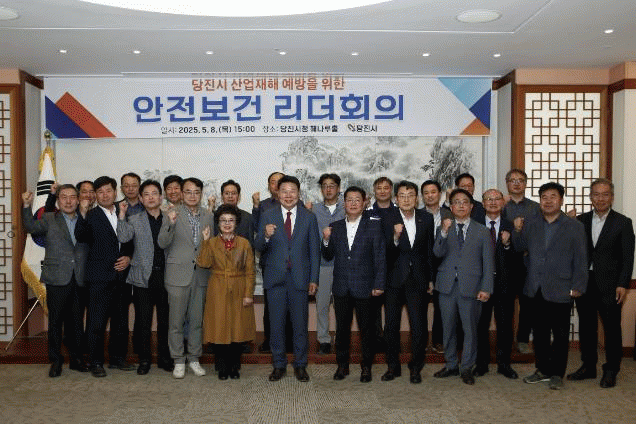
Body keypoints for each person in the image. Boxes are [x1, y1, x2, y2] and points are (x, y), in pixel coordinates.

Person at [512, 182, 587, 390]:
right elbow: (519, 247)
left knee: (561, 335)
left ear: (561, 200)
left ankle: (557, 373)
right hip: (535, 287)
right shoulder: (532, 223)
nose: (548, 201)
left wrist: (578, 285)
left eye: (553, 196)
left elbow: (581, 258)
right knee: (540, 334)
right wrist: (517, 230)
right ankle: (542, 369)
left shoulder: (575, 226)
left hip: (561, 287)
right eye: (544, 197)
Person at [568, 178, 635, 388]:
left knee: (612, 329)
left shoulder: (623, 222)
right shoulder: (580, 220)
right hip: (585, 283)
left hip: (610, 285)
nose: (600, 198)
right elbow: (570, 250)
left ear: (612, 197)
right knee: (587, 327)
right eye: (596, 194)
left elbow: (628, 257)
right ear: (590, 197)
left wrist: (623, 283)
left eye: (605, 194)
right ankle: (588, 366)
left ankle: (611, 369)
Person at [255, 175, 320, 382]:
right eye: (284, 191)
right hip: (275, 279)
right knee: (276, 326)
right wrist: (265, 235)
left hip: (300, 280)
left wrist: (314, 279)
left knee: (300, 326)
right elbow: (258, 246)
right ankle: (279, 365)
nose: (288, 195)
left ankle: (300, 365)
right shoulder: (268, 214)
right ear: (277, 193)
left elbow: (314, 252)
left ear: (298, 193)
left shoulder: (309, 217)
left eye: (293, 191)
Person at [22, 185, 89, 377]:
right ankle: (56, 361)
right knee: (55, 322)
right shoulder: (50, 219)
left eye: (72, 197)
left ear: (78, 199)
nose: (68, 201)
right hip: (56, 277)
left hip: (80, 277)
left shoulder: (86, 218)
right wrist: (26, 206)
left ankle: (76, 359)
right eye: (64, 197)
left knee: (76, 322)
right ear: (58, 201)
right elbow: (30, 227)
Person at [322, 186, 385, 382]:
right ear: (344, 203)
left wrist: (379, 284)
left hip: (365, 286)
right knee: (342, 330)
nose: (353, 203)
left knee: (367, 330)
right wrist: (326, 240)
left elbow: (380, 257)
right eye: (349, 200)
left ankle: (366, 367)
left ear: (364, 203)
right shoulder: (335, 226)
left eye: (358, 200)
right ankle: (342, 366)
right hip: (341, 287)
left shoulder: (373, 225)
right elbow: (328, 255)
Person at [75, 176, 134, 378]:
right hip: (99, 278)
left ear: (115, 192)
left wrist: (129, 257)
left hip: (122, 277)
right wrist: (83, 212)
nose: (105, 195)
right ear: (96, 195)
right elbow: (81, 236)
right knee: (96, 323)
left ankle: (118, 359)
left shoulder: (124, 211)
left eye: (108, 190)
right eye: (100, 192)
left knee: (120, 322)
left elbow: (131, 240)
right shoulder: (91, 215)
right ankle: (96, 362)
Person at [433, 188, 493, 385]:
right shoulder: (443, 228)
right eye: (456, 202)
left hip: (472, 287)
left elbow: (488, 263)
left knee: (470, 330)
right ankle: (451, 365)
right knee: (448, 329)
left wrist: (486, 288)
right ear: (451, 207)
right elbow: (437, 253)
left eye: (464, 202)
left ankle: (467, 367)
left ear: (471, 206)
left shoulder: (482, 231)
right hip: (447, 286)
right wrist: (443, 232)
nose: (460, 205)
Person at [158, 177, 214, 379]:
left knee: (197, 321)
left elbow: (210, 247)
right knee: (176, 322)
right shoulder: (172, 213)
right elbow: (162, 243)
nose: (192, 196)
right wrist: (170, 224)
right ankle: (178, 360)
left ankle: (194, 358)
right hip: (177, 276)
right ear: (182, 194)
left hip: (200, 275)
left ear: (201, 194)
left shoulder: (208, 215)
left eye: (196, 192)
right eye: (188, 192)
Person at [116, 180, 173, 375]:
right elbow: (123, 238)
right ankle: (145, 360)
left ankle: (165, 358)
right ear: (140, 198)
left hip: (166, 276)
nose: (150, 197)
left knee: (165, 322)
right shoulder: (134, 219)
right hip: (143, 277)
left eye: (154, 193)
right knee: (143, 322)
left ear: (161, 197)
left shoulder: (169, 217)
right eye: (146, 194)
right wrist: (122, 216)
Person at [381, 180, 434, 384]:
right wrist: (395, 237)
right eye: (402, 196)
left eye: (410, 195)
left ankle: (416, 367)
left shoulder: (426, 218)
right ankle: (392, 367)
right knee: (391, 326)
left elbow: (429, 251)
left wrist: (431, 279)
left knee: (419, 326)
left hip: (418, 279)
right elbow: (382, 251)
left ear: (416, 198)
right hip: (393, 279)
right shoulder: (387, 219)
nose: (406, 199)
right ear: (396, 199)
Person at [197, 204, 256, 380]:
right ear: (218, 223)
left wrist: (248, 294)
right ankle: (222, 367)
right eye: (223, 220)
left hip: (239, 287)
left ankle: (235, 366)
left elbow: (250, 271)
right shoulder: (212, 242)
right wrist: (205, 241)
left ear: (236, 223)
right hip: (217, 288)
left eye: (231, 220)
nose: (227, 224)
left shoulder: (244, 243)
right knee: (219, 328)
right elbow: (204, 263)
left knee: (238, 329)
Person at [473, 189, 519, 379]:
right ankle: (481, 364)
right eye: (488, 199)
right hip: (480, 284)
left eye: (496, 199)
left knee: (505, 326)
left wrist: (508, 244)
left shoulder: (512, 225)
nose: (492, 202)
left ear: (503, 202)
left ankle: (504, 364)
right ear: (483, 203)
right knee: (480, 325)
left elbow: (519, 255)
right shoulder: (474, 224)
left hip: (504, 284)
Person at [252, 171, 293, 354]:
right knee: (271, 306)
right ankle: (270, 340)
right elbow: (257, 232)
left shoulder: (297, 205)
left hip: (292, 265)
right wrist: (255, 208)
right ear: (269, 186)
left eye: (280, 181)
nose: (276, 185)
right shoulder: (263, 206)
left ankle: (289, 342)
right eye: (273, 182)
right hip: (270, 263)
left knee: (291, 306)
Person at [501, 168, 541, 355]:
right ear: (507, 183)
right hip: (505, 261)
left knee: (528, 304)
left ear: (526, 183)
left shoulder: (536, 207)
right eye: (512, 180)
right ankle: (506, 341)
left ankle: (523, 340)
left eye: (520, 180)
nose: (516, 183)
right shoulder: (501, 206)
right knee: (505, 304)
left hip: (528, 262)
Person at [311, 173, 345, 354]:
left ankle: (341, 339)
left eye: (332, 185)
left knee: (342, 306)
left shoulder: (347, 208)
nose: (328, 189)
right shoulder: (313, 210)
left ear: (338, 188)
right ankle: (323, 339)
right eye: (324, 185)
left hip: (343, 266)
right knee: (322, 305)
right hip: (322, 265)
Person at [421, 179, 453, 353]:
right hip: (422, 264)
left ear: (440, 194)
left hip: (444, 264)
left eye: (433, 192)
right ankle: (421, 340)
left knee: (441, 305)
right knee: (420, 305)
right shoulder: (417, 215)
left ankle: (438, 340)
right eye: (426, 193)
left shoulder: (450, 214)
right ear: (422, 196)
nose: (430, 196)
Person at [213, 179, 255, 247]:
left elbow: (250, 245)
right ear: (222, 196)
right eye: (227, 193)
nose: (230, 196)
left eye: (233, 193)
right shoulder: (214, 216)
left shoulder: (248, 218)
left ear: (239, 196)